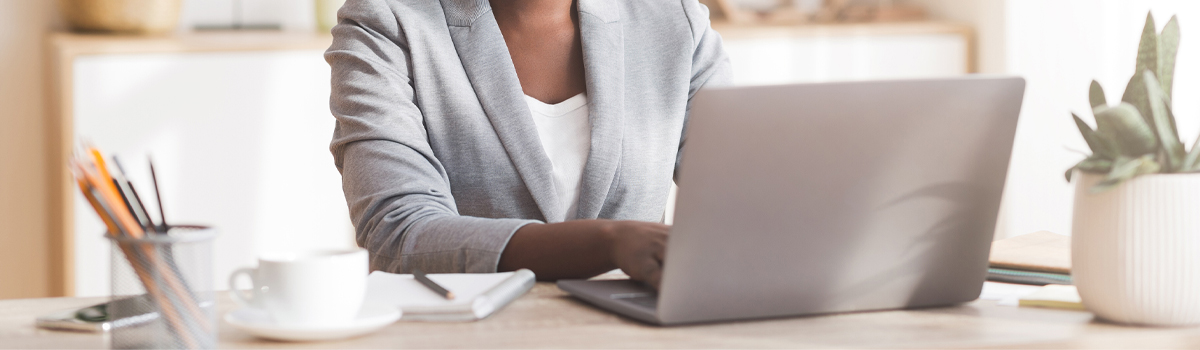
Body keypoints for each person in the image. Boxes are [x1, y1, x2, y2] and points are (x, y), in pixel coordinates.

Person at [325, 0, 731, 288]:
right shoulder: (386, 21)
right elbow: (398, 232)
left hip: (632, 333)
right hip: (464, 333)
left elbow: (740, 200)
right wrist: (609, 242)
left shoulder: (676, 19)